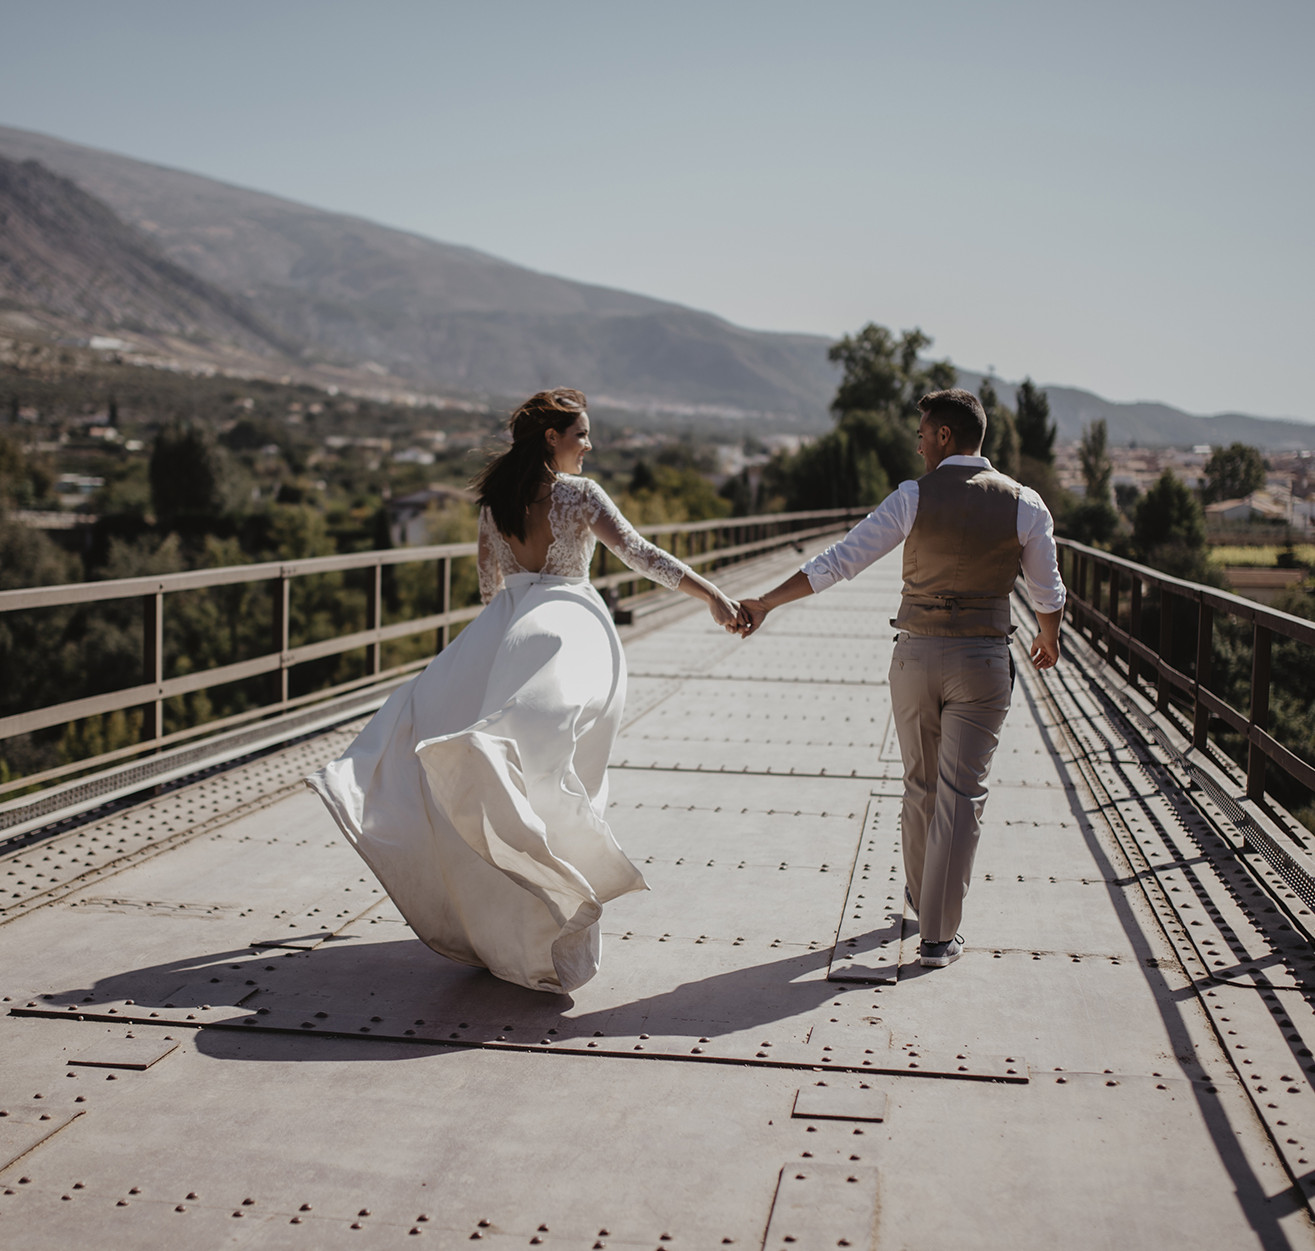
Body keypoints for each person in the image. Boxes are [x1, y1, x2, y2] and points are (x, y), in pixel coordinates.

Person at [309, 389, 744, 993]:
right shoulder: (581, 496)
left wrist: (500, 641)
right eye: (582, 435)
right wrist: (713, 595)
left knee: (500, 775)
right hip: (567, 629)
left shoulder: (496, 502)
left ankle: (508, 928)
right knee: (564, 779)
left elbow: (490, 586)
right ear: (552, 437)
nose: (589, 446)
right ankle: (552, 931)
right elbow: (641, 555)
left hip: (506, 632)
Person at [735, 387, 1066, 967]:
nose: (917, 449)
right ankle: (938, 936)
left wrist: (766, 601)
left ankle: (921, 898)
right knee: (962, 796)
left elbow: (841, 560)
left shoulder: (912, 497)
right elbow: (1047, 589)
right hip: (984, 661)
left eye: (921, 437)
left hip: (915, 658)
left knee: (920, 785)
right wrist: (1048, 636)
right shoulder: (1026, 504)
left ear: (943, 436)